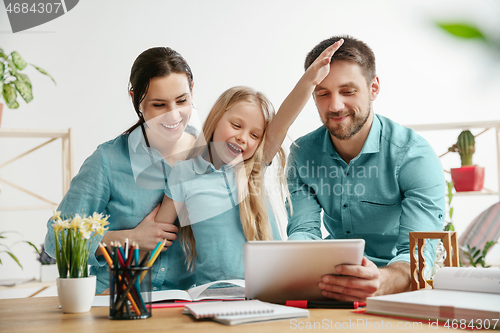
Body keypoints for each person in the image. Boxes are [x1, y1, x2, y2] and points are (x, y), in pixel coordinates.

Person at [155, 41, 345, 286]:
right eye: (236, 125)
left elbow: (285, 117)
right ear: (215, 119)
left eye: (255, 135)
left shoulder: (253, 167)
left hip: (273, 286)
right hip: (213, 293)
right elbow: (159, 234)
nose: (243, 138)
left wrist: (310, 80)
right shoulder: (183, 173)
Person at [286, 36, 445, 301]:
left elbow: (418, 255)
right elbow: (304, 232)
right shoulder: (303, 154)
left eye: (348, 91)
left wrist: (381, 281)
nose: (335, 106)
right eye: (322, 93)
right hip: (332, 284)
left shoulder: (414, 155)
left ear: (373, 88)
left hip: (401, 288)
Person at [44, 47, 199, 293]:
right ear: (135, 99)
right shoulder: (107, 161)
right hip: (113, 303)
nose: (174, 114)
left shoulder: (209, 157)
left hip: (185, 304)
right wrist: (131, 239)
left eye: (182, 100)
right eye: (159, 104)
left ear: (192, 89)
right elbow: (56, 241)